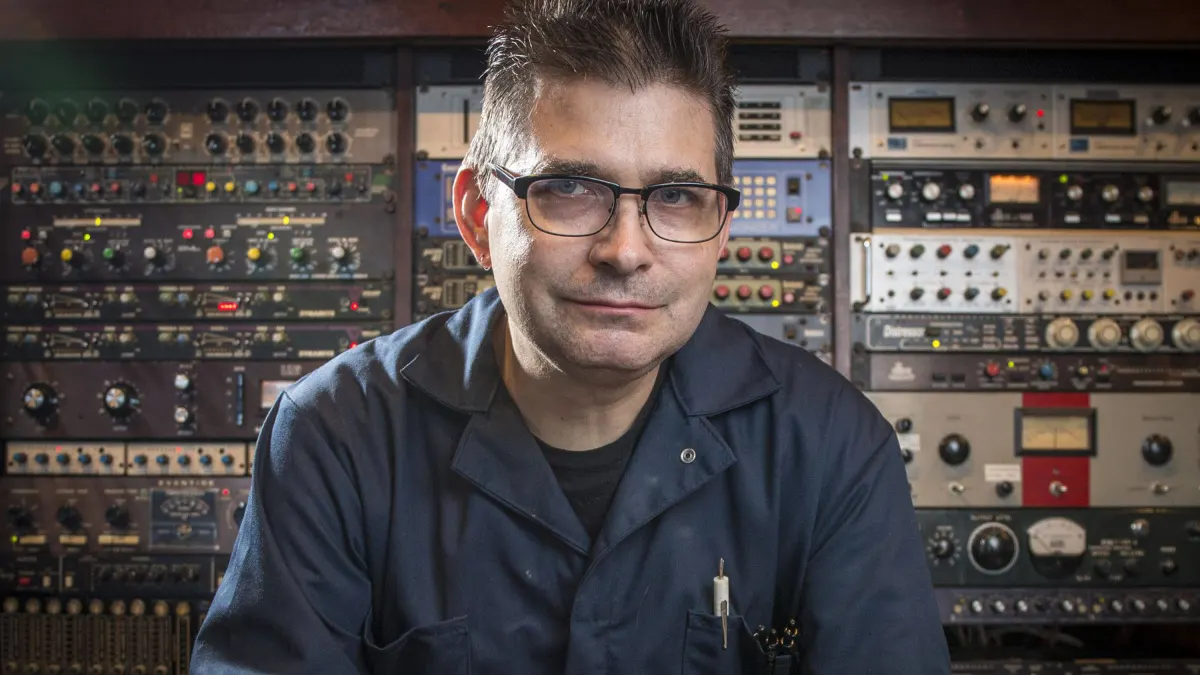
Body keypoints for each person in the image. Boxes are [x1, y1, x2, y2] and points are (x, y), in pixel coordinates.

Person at [190, 0, 951, 672]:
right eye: (569, 189)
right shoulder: (335, 436)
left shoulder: (833, 449)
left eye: (677, 196)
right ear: (476, 215)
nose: (625, 249)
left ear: (723, 227)